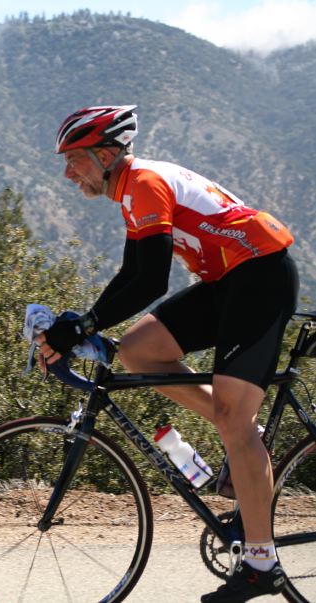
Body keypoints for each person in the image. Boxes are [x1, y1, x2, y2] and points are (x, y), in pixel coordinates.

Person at [38, 105, 297, 602]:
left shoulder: (144, 183)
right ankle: (247, 435)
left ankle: (262, 564)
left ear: (107, 154)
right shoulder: (133, 191)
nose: (68, 172)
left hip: (260, 277)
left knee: (230, 415)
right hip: (229, 281)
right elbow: (130, 276)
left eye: (74, 160)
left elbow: (152, 280)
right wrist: (85, 324)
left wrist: (85, 325)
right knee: (138, 351)